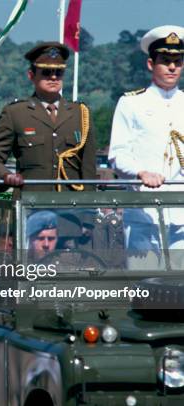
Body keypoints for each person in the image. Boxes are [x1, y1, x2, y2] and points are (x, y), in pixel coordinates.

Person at [0, 42, 96, 193]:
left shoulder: (80, 114)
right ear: (31, 75)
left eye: (58, 72)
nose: (53, 77)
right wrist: (6, 176)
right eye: (46, 72)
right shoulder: (16, 113)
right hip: (31, 204)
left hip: (71, 207)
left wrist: (88, 207)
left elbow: (88, 168)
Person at [108, 26, 184, 251]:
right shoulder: (131, 103)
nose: (172, 67)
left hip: (182, 215)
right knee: (144, 283)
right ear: (151, 64)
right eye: (165, 60)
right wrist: (140, 172)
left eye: (177, 61)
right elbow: (118, 154)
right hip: (144, 214)